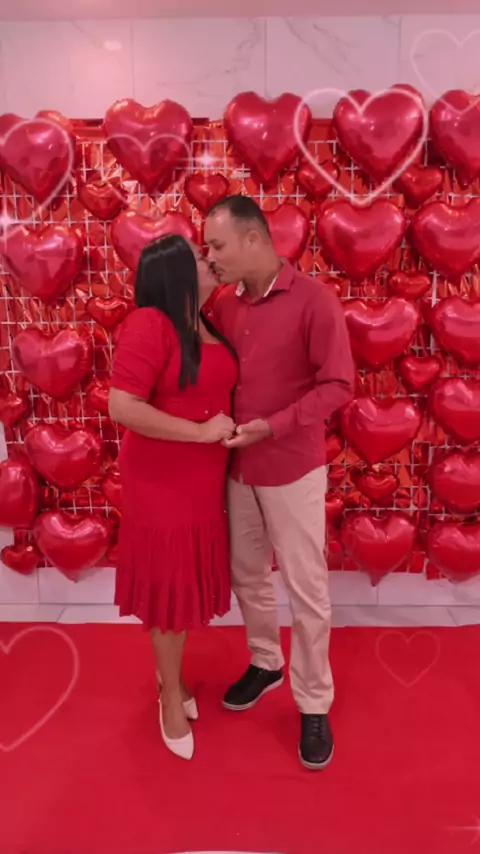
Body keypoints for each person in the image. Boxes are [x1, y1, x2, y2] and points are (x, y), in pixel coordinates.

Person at [204, 195, 355, 770]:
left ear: (253, 239)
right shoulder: (224, 304)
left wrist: (274, 426)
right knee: (248, 574)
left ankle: (314, 701)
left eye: (217, 245)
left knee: (306, 587)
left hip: (292, 467)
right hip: (238, 469)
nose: (211, 256)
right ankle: (266, 660)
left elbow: (338, 385)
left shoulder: (314, 300)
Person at [109, 234, 238, 761]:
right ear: (177, 273)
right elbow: (123, 406)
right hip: (162, 481)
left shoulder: (206, 322)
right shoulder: (150, 324)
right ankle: (168, 695)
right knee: (169, 588)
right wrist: (202, 432)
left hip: (202, 482)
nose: (213, 262)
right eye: (203, 259)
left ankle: (173, 679)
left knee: (182, 585)